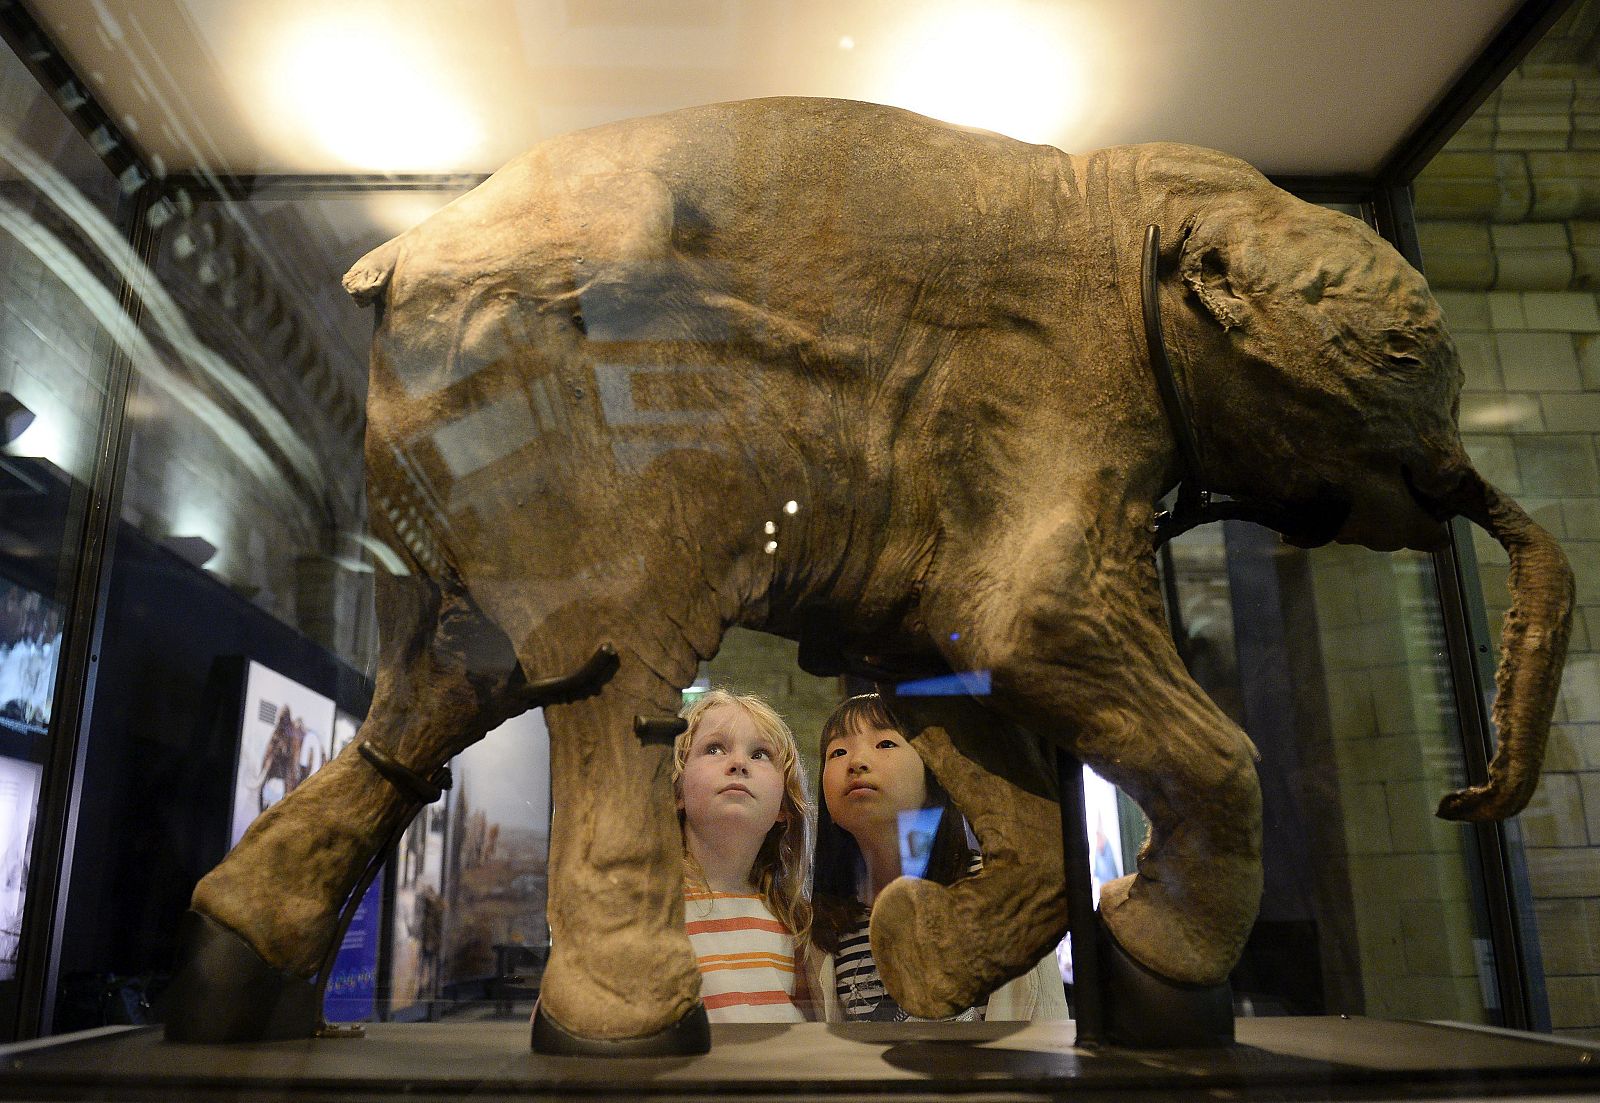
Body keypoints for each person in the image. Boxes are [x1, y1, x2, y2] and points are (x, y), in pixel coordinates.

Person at [809, 693, 1069, 1022]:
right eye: (838, 752)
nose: (856, 761)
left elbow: (1045, 1023)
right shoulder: (825, 922)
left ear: (934, 777)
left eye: (885, 743)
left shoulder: (998, 891)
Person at [674, 689, 813, 1021]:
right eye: (714, 748)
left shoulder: (793, 920)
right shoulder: (651, 902)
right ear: (677, 789)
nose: (738, 763)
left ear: (783, 806)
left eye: (760, 754)